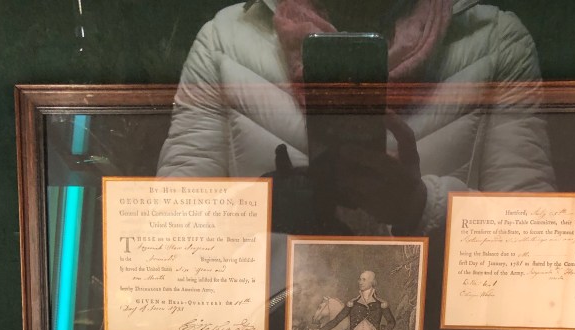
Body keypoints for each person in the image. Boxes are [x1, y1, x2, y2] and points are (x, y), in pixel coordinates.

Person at [157, 0, 554, 234]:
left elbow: (530, 240)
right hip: (270, 328)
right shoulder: (224, 40)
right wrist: (261, 209)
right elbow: (173, 227)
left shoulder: (495, 41)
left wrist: (421, 207)